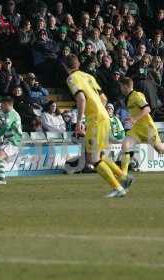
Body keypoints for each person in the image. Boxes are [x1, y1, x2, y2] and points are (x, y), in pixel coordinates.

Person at [66, 54, 130, 198]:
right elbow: (104, 98)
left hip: (95, 120)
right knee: (97, 155)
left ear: (66, 66)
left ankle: (118, 188)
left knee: (93, 159)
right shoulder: (88, 76)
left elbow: (81, 99)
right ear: (78, 64)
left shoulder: (71, 78)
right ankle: (123, 177)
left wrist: (79, 122)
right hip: (104, 117)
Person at [119, 77, 164, 178]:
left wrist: (134, 119)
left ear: (125, 86)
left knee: (160, 149)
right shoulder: (128, 98)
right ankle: (123, 175)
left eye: (120, 86)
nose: (120, 89)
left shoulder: (136, 95)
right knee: (125, 145)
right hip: (136, 129)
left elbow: (147, 109)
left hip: (148, 128)